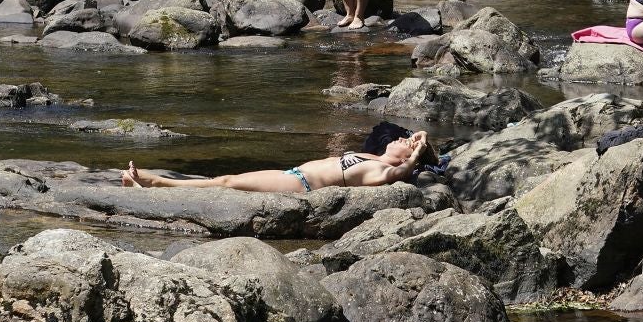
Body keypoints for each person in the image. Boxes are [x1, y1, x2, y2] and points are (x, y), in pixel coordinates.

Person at [122, 130, 436, 193]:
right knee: (227, 179)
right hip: (294, 174)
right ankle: (153, 183)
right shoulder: (373, 156)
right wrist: (417, 140)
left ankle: (155, 183)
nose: (399, 139)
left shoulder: (385, 170)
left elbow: (403, 170)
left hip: (299, 185)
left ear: (410, 157)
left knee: (228, 182)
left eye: (405, 143)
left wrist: (418, 152)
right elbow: (417, 136)